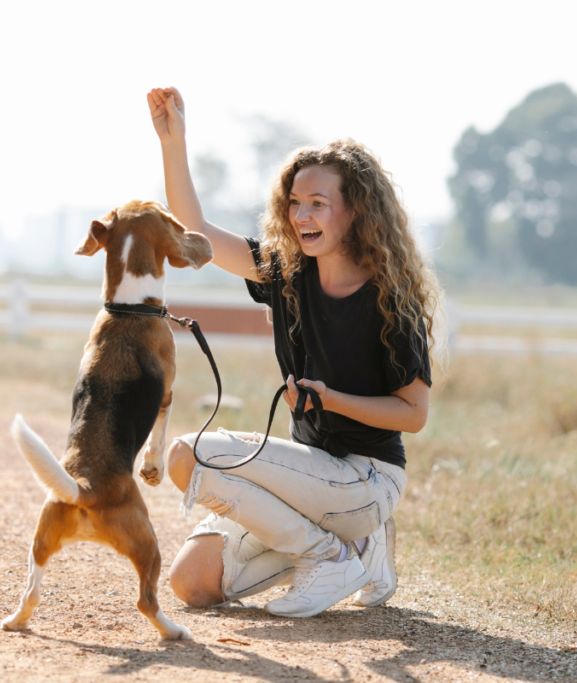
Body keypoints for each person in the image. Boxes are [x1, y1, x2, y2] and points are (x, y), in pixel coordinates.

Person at [146, 87, 441, 618]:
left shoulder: (391, 300)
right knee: (192, 584)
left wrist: (331, 399)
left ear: (355, 213)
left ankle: (330, 554)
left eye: (319, 203)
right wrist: (174, 142)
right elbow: (197, 233)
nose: (302, 214)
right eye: (295, 202)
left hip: (366, 480)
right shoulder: (286, 273)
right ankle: (358, 551)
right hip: (310, 478)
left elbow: (414, 415)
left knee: (187, 454)